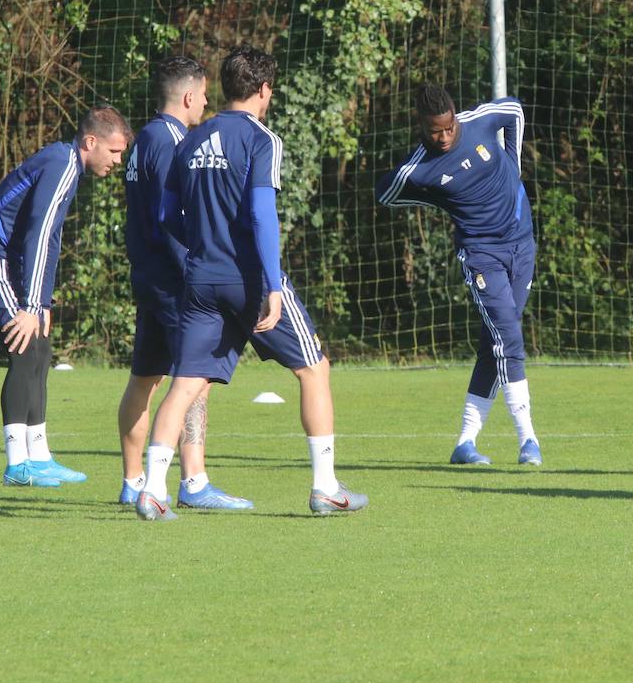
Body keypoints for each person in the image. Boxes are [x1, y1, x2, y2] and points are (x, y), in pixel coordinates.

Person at [134, 45, 366, 520]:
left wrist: (202, 244)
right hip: (249, 281)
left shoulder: (190, 141)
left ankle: (153, 489)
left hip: (199, 279)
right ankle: (325, 487)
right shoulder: (262, 140)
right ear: (263, 90)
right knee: (314, 369)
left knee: (184, 384)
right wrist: (273, 288)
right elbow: (263, 216)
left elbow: (164, 215)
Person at [0, 106, 131, 487]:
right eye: (114, 152)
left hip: (8, 262)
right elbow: (37, 236)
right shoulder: (62, 165)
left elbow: (49, 242)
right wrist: (29, 306)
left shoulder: (67, 166)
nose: (117, 161)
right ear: (91, 142)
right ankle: (16, 464)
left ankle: (38, 457)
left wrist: (42, 303)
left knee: (39, 348)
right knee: (24, 347)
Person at [376, 83, 541, 466]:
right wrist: (438, 199)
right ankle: (528, 439)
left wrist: (513, 167)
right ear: (422, 126)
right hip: (481, 254)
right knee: (509, 338)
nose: (445, 136)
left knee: (496, 341)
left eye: (449, 127)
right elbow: (386, 193)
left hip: (522, 241)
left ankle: (465, 443)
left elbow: (514, 111)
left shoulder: (478, 123)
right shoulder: (420, 167)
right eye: (436, 131)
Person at [117, 55, 252, 510]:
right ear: (190, 96)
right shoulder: (174, 141)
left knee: (144, 377)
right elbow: (168, 216)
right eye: (205, 94)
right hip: (174, 278)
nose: (208, 102)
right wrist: (194, 265)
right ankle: (194, 482)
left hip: (146, 275)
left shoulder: (140, 140)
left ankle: (132, 480)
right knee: (193, 380)